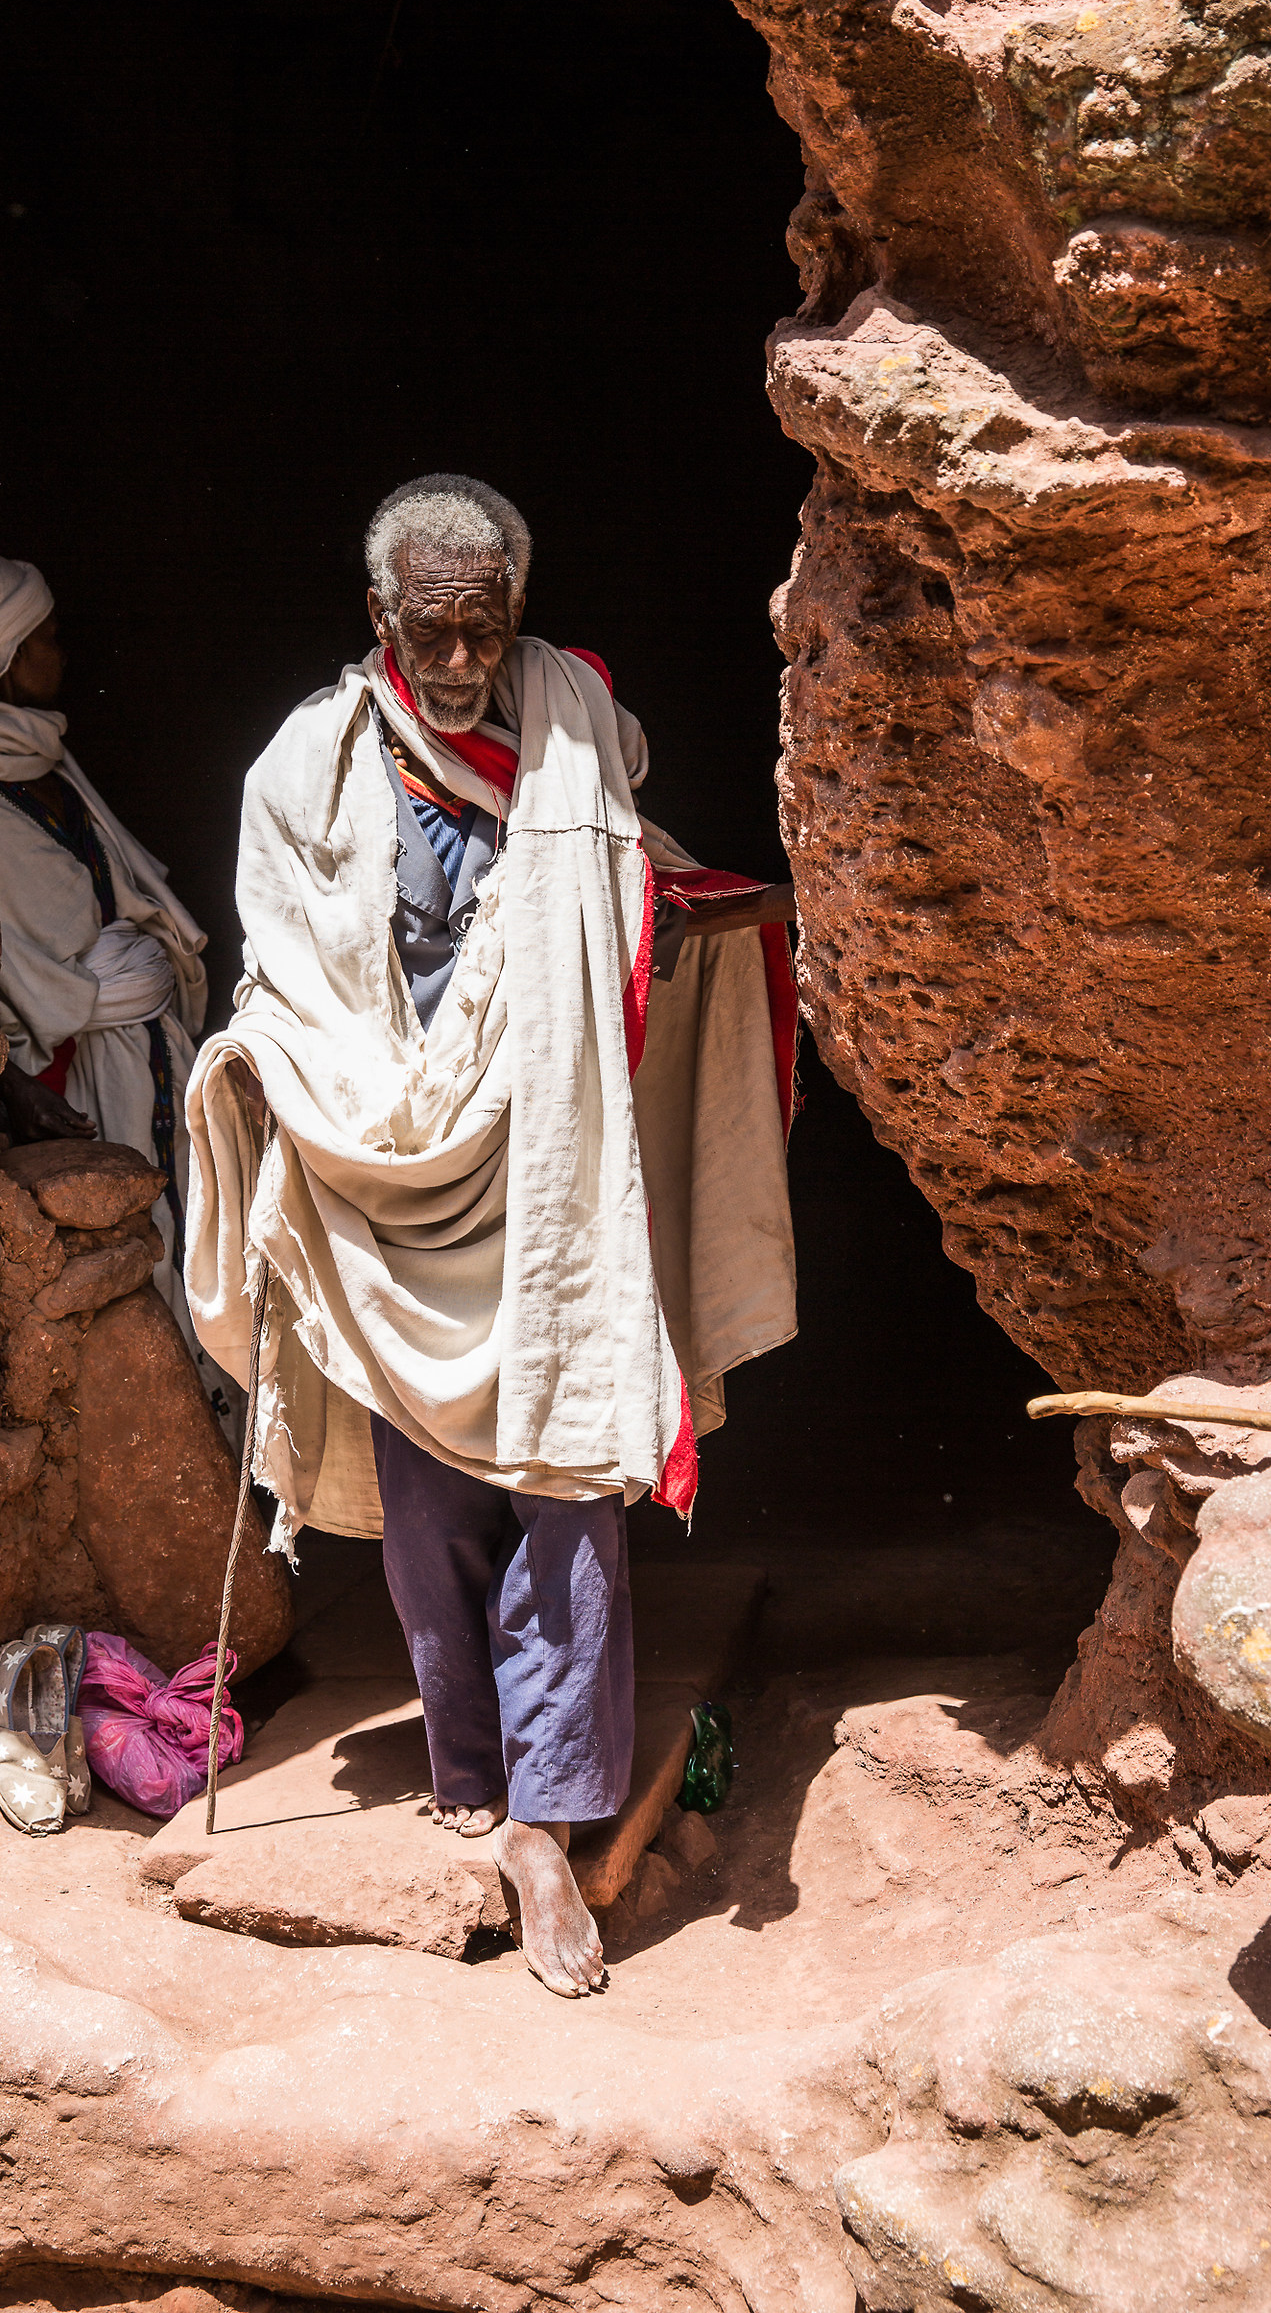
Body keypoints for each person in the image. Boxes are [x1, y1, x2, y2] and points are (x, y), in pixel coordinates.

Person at [186, 476, 796, 1995]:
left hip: (550, 1165)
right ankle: (466, 1752)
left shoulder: (583, 723)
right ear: (379, 620)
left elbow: (619, 884)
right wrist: (284, 1069)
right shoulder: (305, 771)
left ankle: (550, 1813)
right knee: (429, 1499)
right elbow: (286, 960)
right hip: (382, 1168)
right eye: (432, 631)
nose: (463, 662)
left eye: (487, 628)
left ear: (518, 615)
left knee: (570, 1477)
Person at [0, 550, 211, 1368]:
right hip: (68, 1074)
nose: (61, 655)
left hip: (142, 1053)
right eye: (47, 637)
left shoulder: (45, 766)